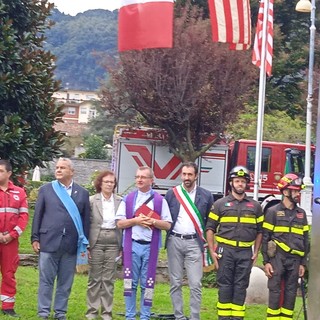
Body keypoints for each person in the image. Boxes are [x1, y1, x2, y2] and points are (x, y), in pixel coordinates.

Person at [31, 158, 90, 320]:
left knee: (65, 283)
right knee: (46, 281)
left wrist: (86, 246)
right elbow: (38, 215)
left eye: (62, 168)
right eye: (57, 167)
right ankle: (43, 312)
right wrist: (35, 238)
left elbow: (86, 222)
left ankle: (60, 313)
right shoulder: (46, 190)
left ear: (71, 171)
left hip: (71, 245)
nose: (58, 170)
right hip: (48, 241)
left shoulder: (83, 193)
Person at [206, 166, 263, 320]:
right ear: (231, 182)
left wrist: (256, 251)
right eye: (237, 181)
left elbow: (260, 232)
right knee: (225, 286)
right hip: (225, 252)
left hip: (245, 253)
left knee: (240, 287)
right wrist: (212, 251)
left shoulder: (255, 206)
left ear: (246, 184)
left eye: (242, 181)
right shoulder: (220, 204)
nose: (239, 184)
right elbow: (210, 229)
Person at [115, 166, 172, 320]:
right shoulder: (128, 199)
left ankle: (145, 316)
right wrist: (136, 220)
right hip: (132, 245)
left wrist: (153, 221)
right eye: (137, 177)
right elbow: (119, 223)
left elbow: (167, 224)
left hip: (150, 247)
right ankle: (130, 316)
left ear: (151, 180)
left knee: (147, 283)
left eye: (143, 177)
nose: (139, 180)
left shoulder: (160, 200)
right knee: (130, 283)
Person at [165, 162, 213, 320]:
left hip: (194, 243)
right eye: (184, 174)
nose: (186, 177)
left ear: (196, 176)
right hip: (174, 241)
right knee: (175, 282)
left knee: (195, 284)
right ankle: (179, 316)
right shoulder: (172, 194)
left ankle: (194, 317)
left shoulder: (206, 195)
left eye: (190, 174)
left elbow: (210, 223)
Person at [262, 173, 309, 320]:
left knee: (290, 294)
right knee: (275, 293)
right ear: (285, 191)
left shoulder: (301, 214)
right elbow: (265, 238)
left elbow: (306, 240)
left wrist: (303, 263)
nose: (297, 194)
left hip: (295, 260)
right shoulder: (273, 211)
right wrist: (266, 262)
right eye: (294, 191)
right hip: (277, 258)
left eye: (298, 191)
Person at [86, 170, 122, 320]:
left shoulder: (120, 201)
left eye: (112, 182)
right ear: (100, 183)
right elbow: (86, 223)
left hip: (113, 240)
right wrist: (86, 245)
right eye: (106, 181)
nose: (109, 184)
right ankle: (92, 312)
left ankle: (106, 312)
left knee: (108, 279)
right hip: (96, 239)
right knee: (94, 278)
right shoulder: (91, 200)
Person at [0, 159, 29, 318]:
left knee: (9, 273)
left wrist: (12, 235)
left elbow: (24, 216)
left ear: (9, 173)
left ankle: (8, 306)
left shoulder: (20, 192)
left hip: (11, 242)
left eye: (1, 171)